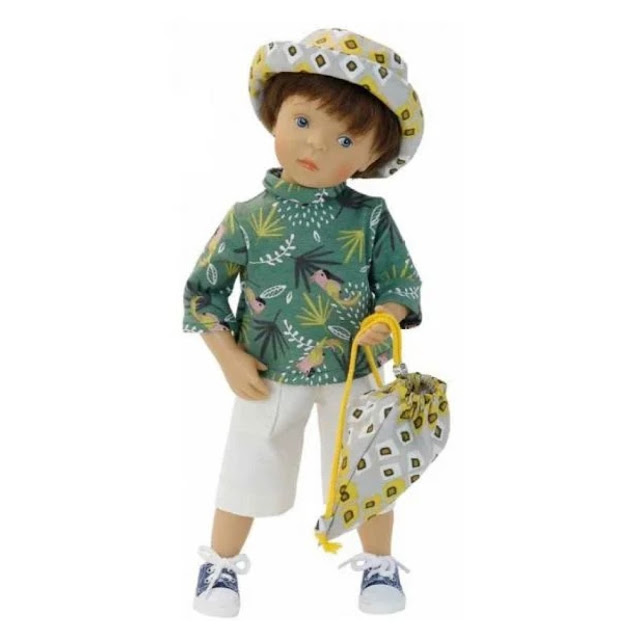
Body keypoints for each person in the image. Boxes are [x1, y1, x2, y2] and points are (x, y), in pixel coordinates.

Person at [183, 28, 425, 616]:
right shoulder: (248, 217)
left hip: (356, 370)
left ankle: (379, 564)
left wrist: (387, 318)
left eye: (345, 138)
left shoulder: (370, 218)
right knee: (247, 463)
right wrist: (227, 354)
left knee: (365, 466)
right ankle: (219, 564)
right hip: (267, 369)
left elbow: (400, 283)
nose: (316, 143)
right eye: (301, 121)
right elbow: (203, 292)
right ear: (274, 117)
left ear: (370, 158)